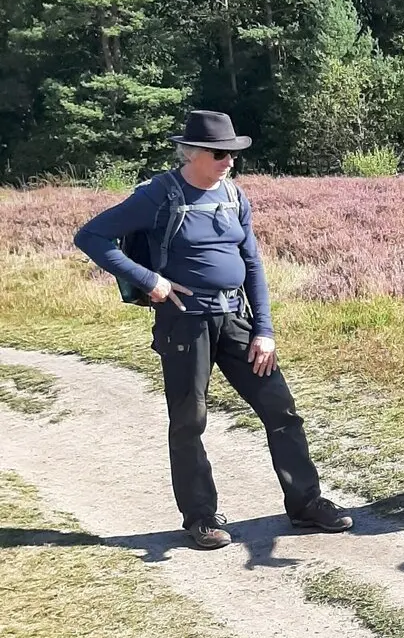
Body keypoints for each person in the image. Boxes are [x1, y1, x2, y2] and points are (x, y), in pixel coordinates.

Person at [74, 110, 352, 550]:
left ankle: (306, 504)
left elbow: (253, 265)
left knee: (281, 410)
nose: (230, 161)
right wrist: (152, 282)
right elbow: (90, 236)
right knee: (190, 422)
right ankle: (200, 517)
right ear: (193, 154)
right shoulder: (158, 195)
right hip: (184, 324)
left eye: (233, 153)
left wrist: (265, 329)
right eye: (221, 153)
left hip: (236, 320)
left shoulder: (235, 196)